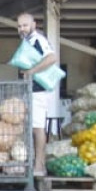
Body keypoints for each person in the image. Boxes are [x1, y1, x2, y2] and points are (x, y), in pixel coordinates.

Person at [13, 12, 61, 178]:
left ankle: (39, 165)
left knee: (37, 128)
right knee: (30, 127)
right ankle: (33, 163)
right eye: (19, 26)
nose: (22, 29)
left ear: (33, 24)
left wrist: (31, 72)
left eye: (25, 25)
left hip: (38, 90)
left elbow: (52, 58)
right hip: (29, 90)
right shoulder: (27, 41)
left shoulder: (38, 39)